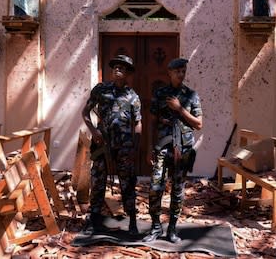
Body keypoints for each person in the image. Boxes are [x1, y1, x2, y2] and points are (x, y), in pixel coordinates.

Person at [143, 58, 202, 243]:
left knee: (178, 191)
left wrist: (180, 109)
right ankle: (155, 227)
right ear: (169, 72)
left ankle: (172, 229)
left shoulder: (192, 95)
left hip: (182, 150)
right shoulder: (160, 93)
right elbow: (151, 122)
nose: (181, 74)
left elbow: (199, 124)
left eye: (183, 70)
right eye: (177, 71)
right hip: (162, 147)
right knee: (155, 188)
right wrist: (148, 148)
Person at [81, 55, 142, 235]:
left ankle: (132, 220)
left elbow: (138, 122)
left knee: (128, 182)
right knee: (98, 181)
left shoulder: (133, 96)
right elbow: (85, 113)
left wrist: (135, 147)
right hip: (102, 143)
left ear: (128, 73)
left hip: (124, 146)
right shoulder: (101, 90)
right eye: (115, 66)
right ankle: (94, 219)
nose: (117, 69)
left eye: (122, 67)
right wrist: (93, 131)